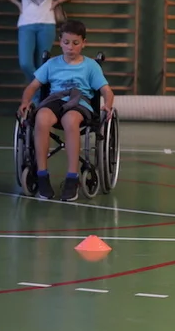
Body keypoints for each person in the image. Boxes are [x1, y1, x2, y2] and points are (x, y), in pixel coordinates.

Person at [18, 20, 113, 202]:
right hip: (55, 100)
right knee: (41, 118)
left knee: (70, 120)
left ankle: (72, 177)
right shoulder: (52, 64)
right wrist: (25, 101)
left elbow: (107, 91)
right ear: (60, 42)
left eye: (75, 43)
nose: (70, 47)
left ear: (84, 43)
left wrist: (107, 104)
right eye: (66, 42)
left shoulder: (91, 66)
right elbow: (32, 86)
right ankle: (42, 174)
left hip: (79, 102)